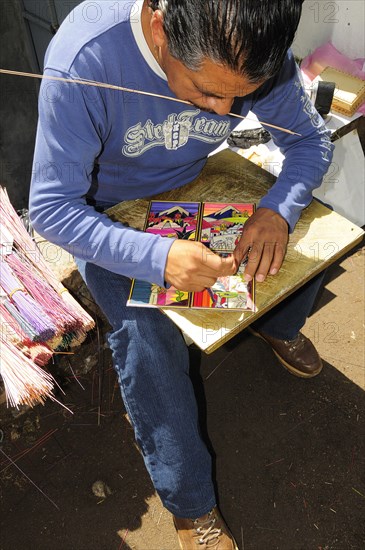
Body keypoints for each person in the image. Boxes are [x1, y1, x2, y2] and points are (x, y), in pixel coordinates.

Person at [29, 1, 334, 548]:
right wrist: (157, 258)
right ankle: (192, 507)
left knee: (309, 231)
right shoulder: (85, 57)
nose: (223, 112)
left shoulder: (250, 41)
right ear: (160, 26)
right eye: (204, 90)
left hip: (198, 179)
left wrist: (275, 211)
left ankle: (277, 325)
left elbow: (310, 141)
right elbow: (52, 210)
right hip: (108, 215)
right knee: (147, 337)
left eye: (239, 96)